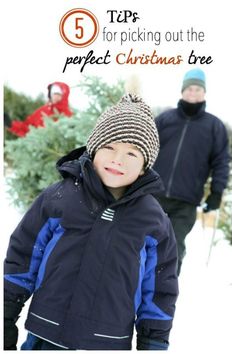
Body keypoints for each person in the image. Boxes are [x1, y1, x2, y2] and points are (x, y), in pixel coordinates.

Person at [4, 94, 179, 350]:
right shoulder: (60, 197)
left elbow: (160, 286)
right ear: (94, 149)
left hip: (107, 342)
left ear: (144, 166)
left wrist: (153, 341)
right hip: (47, 333)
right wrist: (6, 315)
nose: (118, 159)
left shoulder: (153, 221)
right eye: (109, 147)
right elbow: (24, 254)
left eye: (132, 153)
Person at [153, 68, 230, 275]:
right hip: (153, 196)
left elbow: (221, 161)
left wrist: (216, 192)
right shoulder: (165, 119)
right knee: (142, 243)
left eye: (197, 89)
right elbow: (145, 149)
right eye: (189, 89)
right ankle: (132, 291)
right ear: (182, 91)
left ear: (204, 93)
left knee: (172, 248)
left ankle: (162, 299)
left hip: (185, 202)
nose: (193, 93)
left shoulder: (214, 127)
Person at [9, 82, 73, 137]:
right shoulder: (42, 111)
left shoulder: (68, 115)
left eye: (58, 94)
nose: (55, 96)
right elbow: (26, 128)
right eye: (53, 94)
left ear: (64, 95)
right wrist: (10, 124)